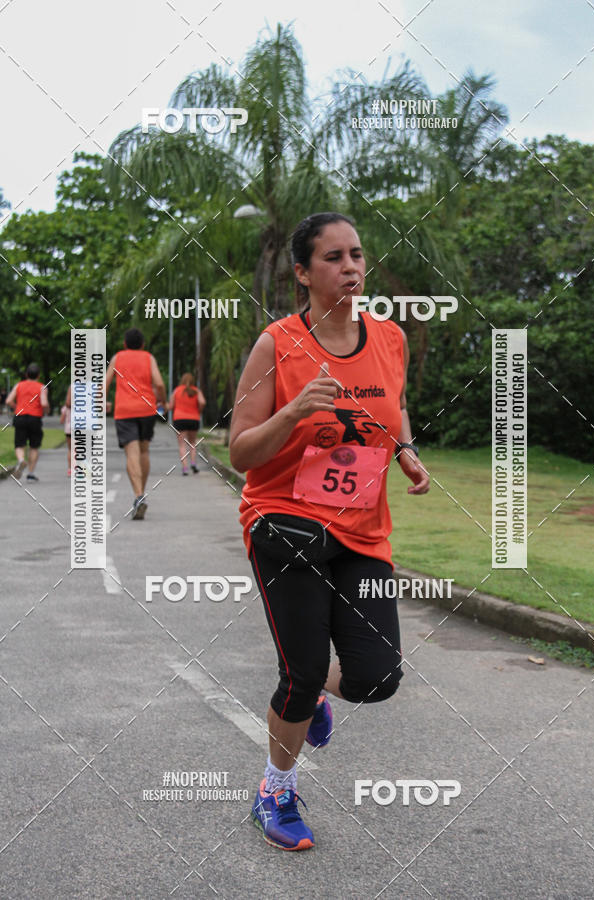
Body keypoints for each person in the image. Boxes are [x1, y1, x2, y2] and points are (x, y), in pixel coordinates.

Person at [229, 212, 430, 851]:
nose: (350, 267)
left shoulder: (389, 339)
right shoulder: (276, 345)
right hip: (283, 519)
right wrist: (294, 410)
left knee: (378, 676)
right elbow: (240, 452)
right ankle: (275, 793)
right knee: (303, 667)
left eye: (356, 255)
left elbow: (392, 404)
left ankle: (316, 694)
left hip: (362, 528)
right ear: (303, 273)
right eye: (334, 258)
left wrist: (404, 451)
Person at [105, 328, 167, 520]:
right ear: (143, 344)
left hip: (124, 411)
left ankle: (138, 495)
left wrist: (103, 402)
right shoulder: (149, 358)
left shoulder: (117, 358)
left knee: (132, 453)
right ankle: (141, 493)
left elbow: (105, 384)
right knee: (144, 451)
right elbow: (159, 384)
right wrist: (162, 402)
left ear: (124, 344)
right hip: (147, 409)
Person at [6, 363, 50, 481]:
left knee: (19, 444)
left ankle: (21, 460)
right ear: (39, 375)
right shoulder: (42, 387)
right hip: (35, 418)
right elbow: (44, 403)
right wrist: (45, 411)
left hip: (20, 417)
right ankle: (30, 474)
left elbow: (9, 400)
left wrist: (17, 407)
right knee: (34, 446)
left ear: (26, 374)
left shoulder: (19, 385)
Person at [168, 373, 206, 475]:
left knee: (182, 445)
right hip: (194, 419)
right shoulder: (196, 391)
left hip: (179, 419)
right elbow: (202, 402)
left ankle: (185, 468)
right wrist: (199, 410)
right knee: (192, 443)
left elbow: (171, 406)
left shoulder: (177, 390)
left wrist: (163, 407)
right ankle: (193, 463)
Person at [60, 385, 72, 476]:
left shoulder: (65, 408)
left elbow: (61, 420)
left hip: (70, 427)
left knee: (71, 449)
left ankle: (70, 469)